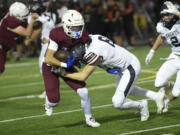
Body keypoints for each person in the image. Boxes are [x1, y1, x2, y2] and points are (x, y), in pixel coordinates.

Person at [62, 34, 167, 121]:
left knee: (118, 102)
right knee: (128, 90)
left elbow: (83, 76)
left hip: (130, 67)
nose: (80, 61)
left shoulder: (93, 53)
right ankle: (157, 96)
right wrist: (106, 68)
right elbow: (100, 56)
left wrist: (64, 74)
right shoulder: (92, 38)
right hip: (123, 64)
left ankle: (141, 105)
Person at [42, 9, 100, 127]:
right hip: (50, 66)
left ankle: (89, 118)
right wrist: (64, 66)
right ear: (66, 25)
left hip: (67, 63)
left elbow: (91, 52)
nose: (77, 30)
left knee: (84, 91)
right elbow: (48, 58)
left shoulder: (83, 34)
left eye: (79, 27)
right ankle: (48, 103)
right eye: (73, 27)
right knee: (54, 101)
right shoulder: (56, 33)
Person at [145, 1, 180, 112]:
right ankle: (170, 85)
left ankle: (167, 101)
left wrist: (176, 12)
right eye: (163, 15)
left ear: (174, 13)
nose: (165, 17)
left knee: (176, 93)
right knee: (158, 83)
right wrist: (152, 51)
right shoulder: (161, 26)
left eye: (167, 14)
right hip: (174, 56)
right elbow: (162, 36)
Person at [25, 0, 57, 98]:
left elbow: (35, 32)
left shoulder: (40, 20)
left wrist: (28, 40)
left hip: (47, 45)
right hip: (51, 44)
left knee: (44, 69)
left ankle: (49, 92)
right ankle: (50, 90)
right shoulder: (47, 17)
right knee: (48, 69)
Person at [0, 2, 39, 74]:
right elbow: (27, 33)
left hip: (3, 48)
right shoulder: (10, 22)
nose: (24, 17)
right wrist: (33, 20)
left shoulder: (12, 15)